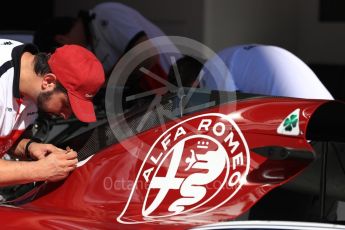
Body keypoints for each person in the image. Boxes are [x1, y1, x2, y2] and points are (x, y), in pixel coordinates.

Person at [0, 39, 105, 186]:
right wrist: (40, 170)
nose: (66, 115)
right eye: (66, 105)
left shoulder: (31, 79)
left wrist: (29, 147)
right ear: (48, 81)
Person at [33, 2, 180, 89]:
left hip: (189, 87)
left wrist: (107, 87)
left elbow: (147, 54)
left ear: (61, 40)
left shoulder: (105, 14)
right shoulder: (92, 48)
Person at [201, 44, 334, 100]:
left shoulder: (212, 67)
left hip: (300, 123)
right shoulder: (233, 54)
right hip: (331, 111)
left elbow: (223, 112)